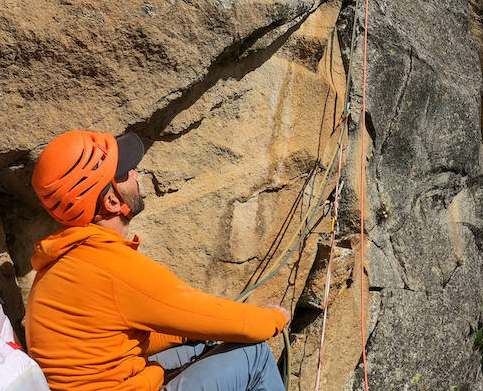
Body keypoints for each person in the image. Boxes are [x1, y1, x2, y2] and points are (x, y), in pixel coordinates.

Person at [25, 130, 290, 391]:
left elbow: (115, 344)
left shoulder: (64, 260)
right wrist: (274, 319)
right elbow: (229, 321)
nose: (136, 174)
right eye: (126, 172)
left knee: (198, 342)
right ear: (111, 201)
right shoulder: (114, 268)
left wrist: (186, 333)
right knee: (254, 354)